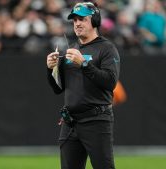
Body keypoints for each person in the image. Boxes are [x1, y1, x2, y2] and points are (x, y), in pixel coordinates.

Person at [46, 2, 120, 169]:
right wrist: (51, 69)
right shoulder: (72, 49)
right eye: (74, 20)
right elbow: (58, 88)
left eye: (82, 19)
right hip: (70, 122)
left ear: (94, 21)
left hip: (97, 121)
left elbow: (110, 82)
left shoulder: (107, 48)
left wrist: (84, 64)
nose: (77, 23)